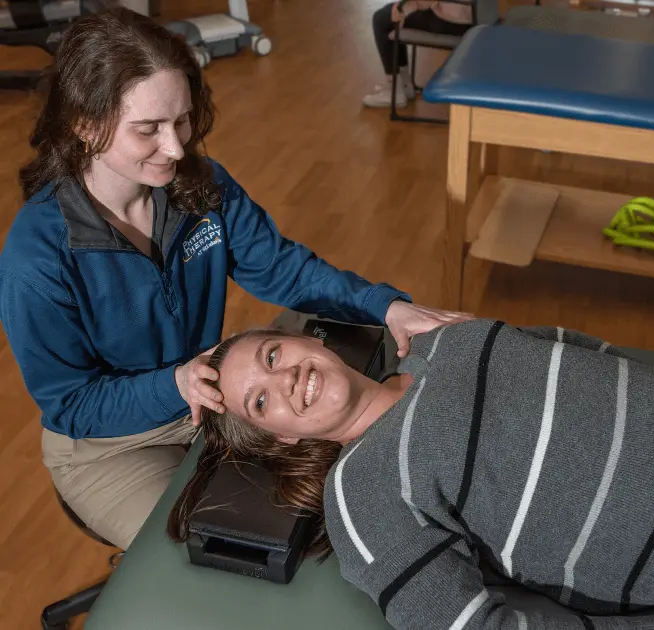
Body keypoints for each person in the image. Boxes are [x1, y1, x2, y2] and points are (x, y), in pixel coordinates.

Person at [168, 264, 654, 630]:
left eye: (270, 353)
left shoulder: (439, 341)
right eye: (260, 401)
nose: (284, 376)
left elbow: (585, 359)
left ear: (302, 338)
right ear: (285, 438)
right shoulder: (360, 499)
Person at [0, 7, 468, 551]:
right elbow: (72, 405)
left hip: (217, 403)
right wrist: (174, 384)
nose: (175, 147)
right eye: (148, 130)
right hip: (112, 443)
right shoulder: (37, 261)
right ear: (85, 124)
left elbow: (280, 268)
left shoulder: (199, 185)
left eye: (181, 119)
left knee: (345, 511)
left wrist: (386, 307)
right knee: (219, 560)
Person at [363, 1, 474, 109]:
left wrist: (404, 8)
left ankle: (394, 91)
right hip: (468, 16)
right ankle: (403, 86)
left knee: (380, 19)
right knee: (391, 12)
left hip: (450, 19)